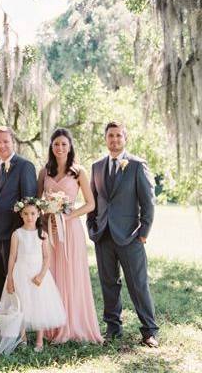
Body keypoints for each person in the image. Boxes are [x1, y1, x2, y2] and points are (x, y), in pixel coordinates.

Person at [86, 121, 158, 347]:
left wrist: (143, 233)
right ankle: (113, 328)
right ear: (105, 139)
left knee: (138, 284)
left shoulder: (137, 165)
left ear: (125, 138)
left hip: (130, 236)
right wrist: (92, 226)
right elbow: (94, 200)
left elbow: (148, 202)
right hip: (103, 235)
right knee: (108, 283)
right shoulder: (97, 166)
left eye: (118, 136)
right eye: (110, 136)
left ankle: (149, 331)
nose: (114, 140)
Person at [37, 128, 103, 344]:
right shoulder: (44, 172)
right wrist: (46, 219)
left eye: (64, 144)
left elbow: (90, 204)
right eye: (56, 144)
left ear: (70, 146)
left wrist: (67, 217)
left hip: (71, 230)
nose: (60, 148)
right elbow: (38, 203)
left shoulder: (79, 171)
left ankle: (73, 324)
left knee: (72, 274)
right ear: (51, 147)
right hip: (49, 231)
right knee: (52, 275)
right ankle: (52, 324)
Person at [0, 198, 66, 352]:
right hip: (20, 273)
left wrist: (42, 275)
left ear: (38, 215)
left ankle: (39, 340)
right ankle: (22, 338)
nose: (29, 217)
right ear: (21, 215)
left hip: (38, 274)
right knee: (21, 304)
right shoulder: (17, 234)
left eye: (33, 213)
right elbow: (12, 256)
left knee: (39, 304)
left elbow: (47, 257)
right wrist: (10, 278)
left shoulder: (42, 234)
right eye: (26, 214)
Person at [0, 126, 37, 303]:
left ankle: (17, 319)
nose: (1, 145)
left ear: (13, 142)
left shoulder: (25, 166)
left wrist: (24, 234)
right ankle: (4, 318)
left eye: (5, 141)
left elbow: (29, 202)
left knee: (13, 278)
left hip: (12, 233)